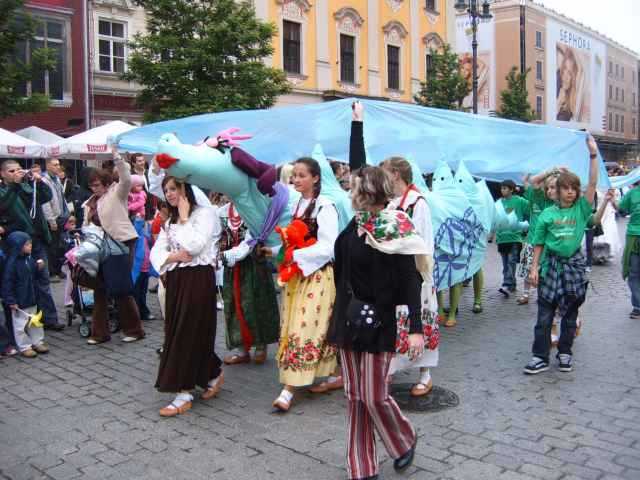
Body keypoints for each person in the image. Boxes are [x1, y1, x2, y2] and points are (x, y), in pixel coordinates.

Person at [328, 166, 425, 480]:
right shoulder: (355, 225)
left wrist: (415, 329)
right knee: (354, 398)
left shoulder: (394, 226)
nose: (349, 192)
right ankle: (361, 468)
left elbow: (412, 281)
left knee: (373, 396)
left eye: (353, 187)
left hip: (379, 321)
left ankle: (403, 439)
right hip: (349, 319)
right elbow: (340, 272)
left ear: (368, 192)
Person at [525, 135, 608, 374]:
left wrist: (593, 154)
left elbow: (592, 183)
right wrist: (533, 269)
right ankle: (539, 356)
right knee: (544, 316)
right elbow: (539, 243)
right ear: (558, 191)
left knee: (570, 316)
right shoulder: (547, 215)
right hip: (550, 267)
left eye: (574, 189)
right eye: (566, 189)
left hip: (574, 267)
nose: (571, 193)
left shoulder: (582, 208)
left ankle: (564, 353)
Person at [149, 176, 223, 417]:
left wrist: (183, 218)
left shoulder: (204, 214)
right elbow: (156, 252)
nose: (169, 194)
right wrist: (172, 257)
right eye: (166, 190)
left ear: (185, 189)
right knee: (180, 328)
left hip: (198, 279)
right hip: (177, 280)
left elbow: (195, 245)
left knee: (186, 331)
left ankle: (184, 392)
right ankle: (212, 372)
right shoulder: (169, 221)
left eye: (174, 189)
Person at [272, 157, 339, 412]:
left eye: (301, 175)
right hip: (298, 276)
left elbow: (329, 246)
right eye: (294, 175)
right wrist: (278, 251)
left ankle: (289, 389)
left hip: (318, 276)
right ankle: (331, 374)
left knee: (304, 328)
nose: (296, 179)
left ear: (315, 178)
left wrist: (296, 256)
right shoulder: (299, 203)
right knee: (298, 327)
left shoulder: (326, 206)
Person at [383, 157, 439, 398]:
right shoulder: (389, 202)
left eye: (385, 173)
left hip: (414, 271)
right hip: (391, 271)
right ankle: (391, 369)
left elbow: (424, 241)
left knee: (421, 319)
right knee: (396, 322)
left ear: (395, 174)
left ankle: (425, 374)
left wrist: (421, 274)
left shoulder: (418, 203)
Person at [80, 151, 145, 345]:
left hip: (119, 244)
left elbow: (126, 178)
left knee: (120, 288)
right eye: (91, 185)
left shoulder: (117, 192)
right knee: (99, 289)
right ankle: (99, 333)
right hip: (97, 248)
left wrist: (118, 158)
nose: (94, 188)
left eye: (97, 184)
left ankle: (135, 330)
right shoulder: (88, 202)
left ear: (106, 183)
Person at [0, 160, 63, 331]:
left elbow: (46, 197)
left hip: (37, 239)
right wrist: (16, 185)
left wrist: (39, 181)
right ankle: (23, 322)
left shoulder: (27, 186)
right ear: (3, 174)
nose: (17, 173)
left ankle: (49, 319)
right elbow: (4, 205)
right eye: (12, 171)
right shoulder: (4, 190)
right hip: (17, 244)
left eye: (19, 170)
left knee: (42, 279)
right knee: (21, 282)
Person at [218, 202, 279, 365]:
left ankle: (261, 345)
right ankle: (241, 349)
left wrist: (226, 256)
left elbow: (250, 241)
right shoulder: (222, 212)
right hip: (232, 267)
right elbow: (215, 237)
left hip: (253, 265)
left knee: (256, 303)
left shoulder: (253, 208)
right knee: (233, 305)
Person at [2, 232, 49, 358]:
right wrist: (10, 300)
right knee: (20, 326)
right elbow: (7, 283)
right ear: (18, 246)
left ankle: (37, 342)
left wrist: (38, 268)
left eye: (30, 244)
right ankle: (24, 346)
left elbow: (34, 275)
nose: (30, 247)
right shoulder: (11, 264)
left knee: (35, 322)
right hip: (19, 301)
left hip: (31, 297)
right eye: (27, 245)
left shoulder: (29, 259)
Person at [517, 169, 561, 304]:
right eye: (546, 186)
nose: (547, 189)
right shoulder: (535, 196)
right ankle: (525, 294)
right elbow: (533, 182)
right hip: (532, 241)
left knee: (543, 272)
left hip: (548, 244)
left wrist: (558, 173)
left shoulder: (556, 203)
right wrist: (552, 170)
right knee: (529, 270)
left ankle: (542, 296)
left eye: (551, 187)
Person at [611, 181, 640, 318]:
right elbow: (621, 209)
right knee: (634, 272)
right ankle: (638, 306)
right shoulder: (633, 193)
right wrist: (611, 200)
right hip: (634, 237)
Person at [495, 179, 529, 297]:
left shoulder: (519, 201)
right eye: (502, 188)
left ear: (512, 189)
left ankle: (506, 284)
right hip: (502, 238)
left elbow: (531, 208)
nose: (502, 190)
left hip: (515, 237)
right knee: (505, 264)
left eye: (505, 188)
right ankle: (512, 285)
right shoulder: (498, 202)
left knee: (511, 261)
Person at [41, 158, 70, 280]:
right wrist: (51, 220)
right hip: (53, 218)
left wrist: (67, 212)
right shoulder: (44, 180)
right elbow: (45, 203)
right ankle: (53, 271)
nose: (58, 167)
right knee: (53, 246)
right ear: (47, 166)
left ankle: (58, 269)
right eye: (55, 165)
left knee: (61, 245)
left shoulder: (57, 179)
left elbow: (61, 198)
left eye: (58, 164)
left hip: (61, 215)